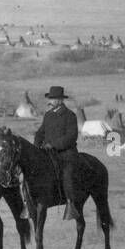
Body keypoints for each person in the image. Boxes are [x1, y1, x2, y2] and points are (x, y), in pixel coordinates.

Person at [34, 85, 82, 221]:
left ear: (61, 100)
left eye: (53, 98)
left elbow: (71, 136)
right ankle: (29, 201)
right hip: (48, 153)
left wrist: (53, 145)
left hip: (66, 153)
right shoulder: (48, 115)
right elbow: (40, 133)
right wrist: (36, 147)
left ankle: (70, 204)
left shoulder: (70, 115)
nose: (51, 101)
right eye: (50, 98)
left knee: (67, 174)